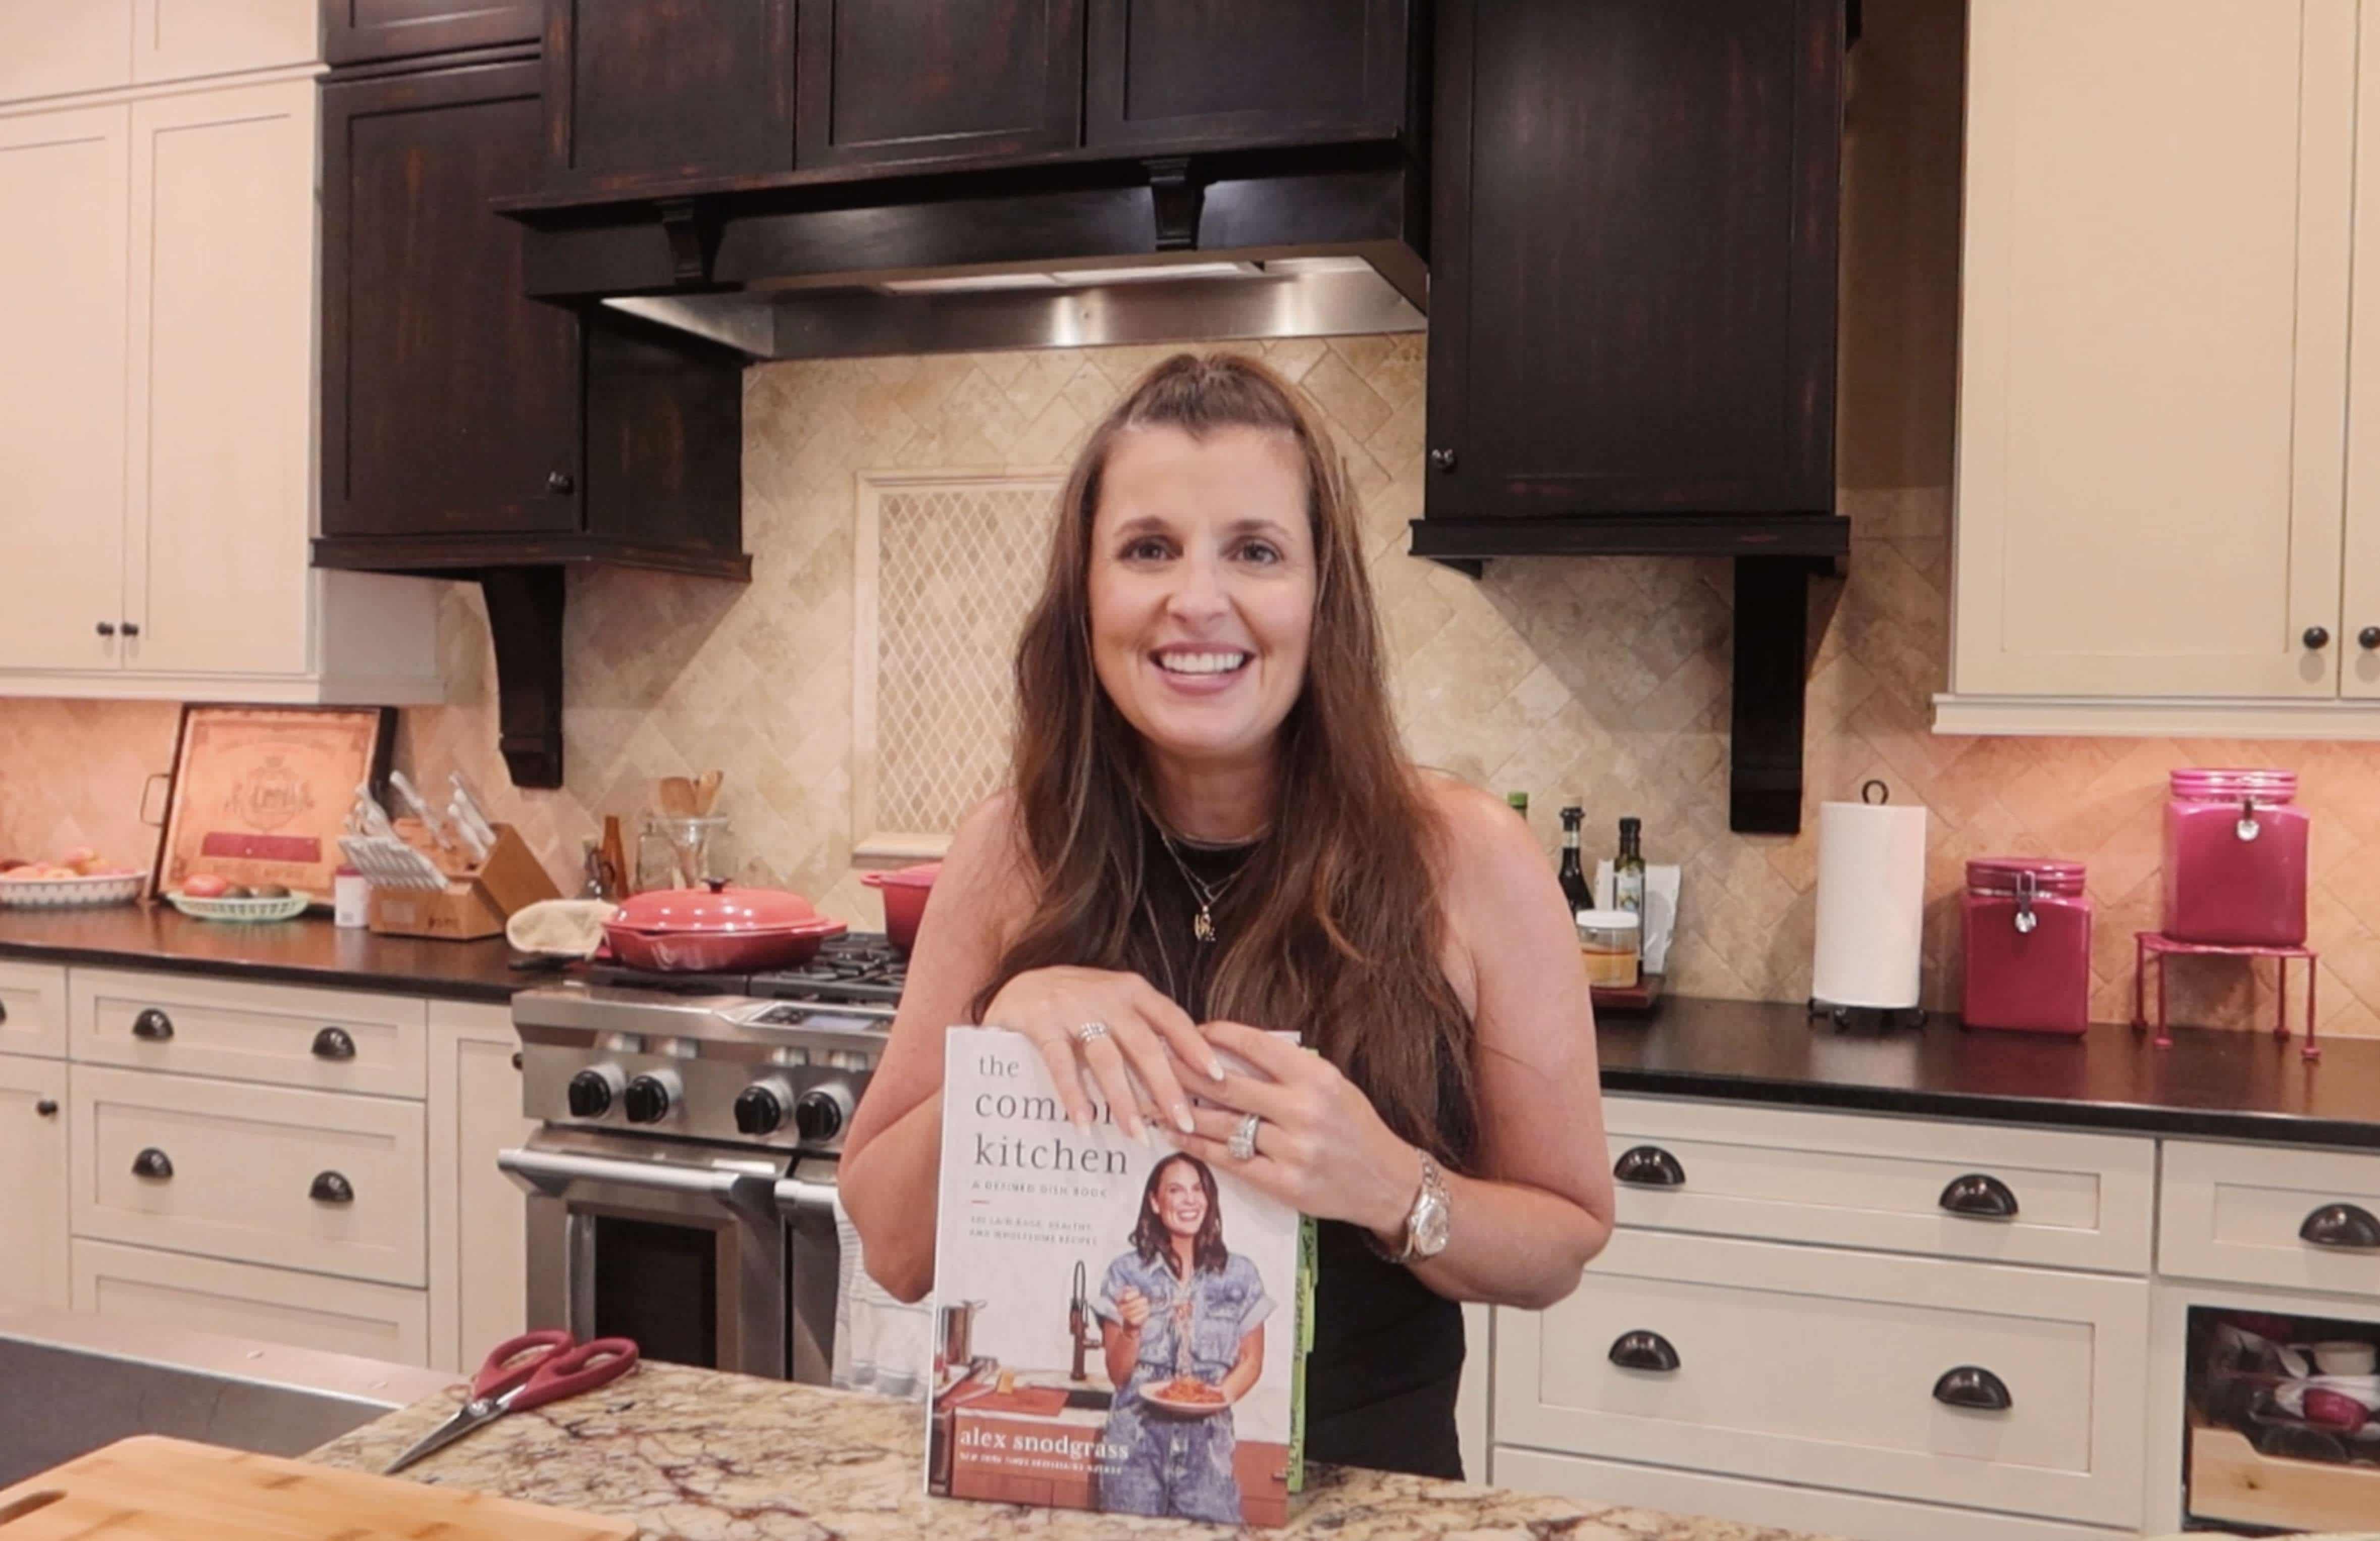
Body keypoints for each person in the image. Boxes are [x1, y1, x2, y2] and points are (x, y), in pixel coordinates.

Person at [840, 350, 1614, 1479]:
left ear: (1320, 594)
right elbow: (895, 1248)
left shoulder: (1468, 861)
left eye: (1253, 550)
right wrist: (1006, 1024)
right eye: (1147, 548)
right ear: (1085, 591)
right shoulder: (1010, 851)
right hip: (1060, 1501)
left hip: (1361, 1507)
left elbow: (1559, 1243)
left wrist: (1391, 1183)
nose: (1195, 599)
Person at [1094, 1153, 1268, 1522]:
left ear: (1209, 1199)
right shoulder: (1126, 1273)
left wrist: (1216, 1396)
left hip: (1209, 1451)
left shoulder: (1240, 1275)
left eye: (1198, 1189)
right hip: (1134, 1449)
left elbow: (1252, 1361)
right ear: (1156, 1203)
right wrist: (1131, 1329)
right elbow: (1119, 1374)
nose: (1190, 1200)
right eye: (1176, 1190)